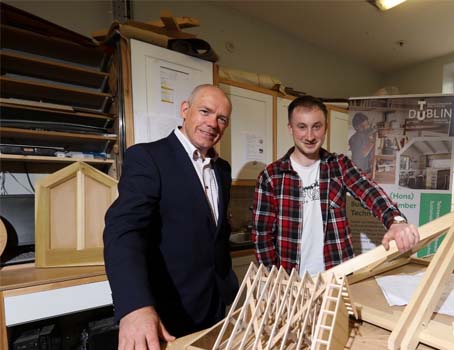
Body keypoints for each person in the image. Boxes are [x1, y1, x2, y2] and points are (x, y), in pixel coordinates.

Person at [103, 85, 238, 350]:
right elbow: (123, 231)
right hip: (170, 308)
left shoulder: (222, 169)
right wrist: (135, 306)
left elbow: (213, 233)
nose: (213, 123)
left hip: (214, 302)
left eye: (222, 118)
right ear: (185, 111)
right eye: (205, 111)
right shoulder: (148, 157)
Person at [252, 95, 420, 276]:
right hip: (292, 283)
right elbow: (262, 236)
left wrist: (396, 221)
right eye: (302, 127)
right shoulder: (271, 176)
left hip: (338, 277)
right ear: (290, 128)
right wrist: (273, 280)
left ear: (325, 128)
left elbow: (370, 191)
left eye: (316, 126)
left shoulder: (339, 165)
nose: (309, 136)